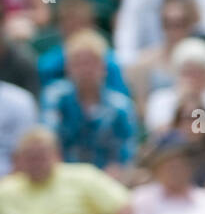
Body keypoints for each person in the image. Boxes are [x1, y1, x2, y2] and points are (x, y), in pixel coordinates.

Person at [39, 29, 138, 180]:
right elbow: (48, 140)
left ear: (103, 67)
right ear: (68, 68)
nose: (85, 69)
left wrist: (117, 170)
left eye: (91, 63)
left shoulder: (120, 106)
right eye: (78, 63)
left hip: (107, 181)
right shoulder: (55, 97)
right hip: (62, 177)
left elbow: (127, 149)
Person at [0, 126, 130, 214]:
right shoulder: (5, 190)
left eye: (41, 156)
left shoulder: (84, 176)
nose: (36, 162)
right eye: (30, 157)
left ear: (57, 155)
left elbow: (123, 207)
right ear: (18, 160)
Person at [125, 132, 205, 214]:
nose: (175, 169)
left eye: (181, 162)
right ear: (157, 167)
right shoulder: (140, 200)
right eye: (169, 163)